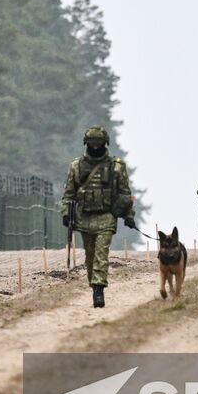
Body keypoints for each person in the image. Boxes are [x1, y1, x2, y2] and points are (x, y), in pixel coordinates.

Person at [61, 126, 135, 308]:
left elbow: (125, 194)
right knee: (90, 256)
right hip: (84, 217)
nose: (95, 147)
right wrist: (65, 213)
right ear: (86, 144)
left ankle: (99, 288)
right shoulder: (77, 166)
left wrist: (128, 215)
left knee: (101, 254)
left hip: (106, 217)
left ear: (105, 144)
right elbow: (69, 194)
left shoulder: (116, 167)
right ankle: (94, 283)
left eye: (98, 144)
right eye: (92, 144)